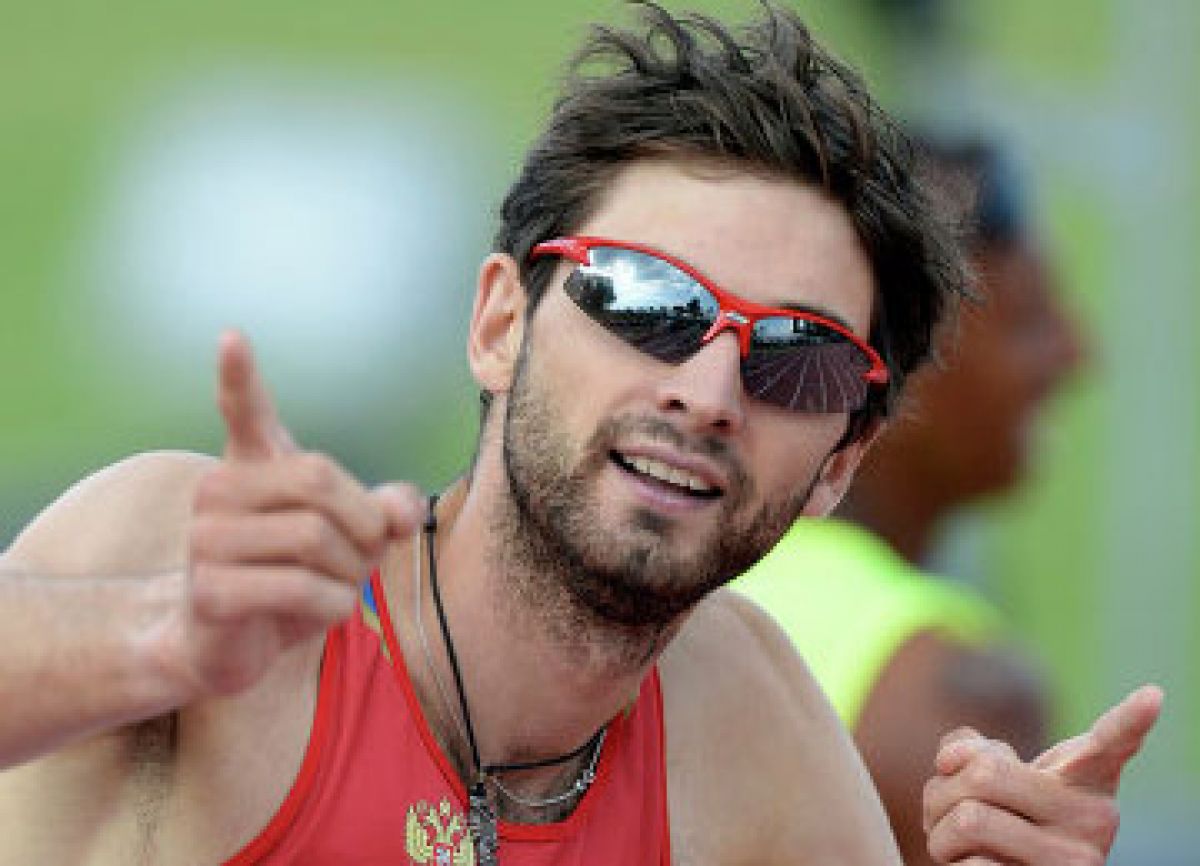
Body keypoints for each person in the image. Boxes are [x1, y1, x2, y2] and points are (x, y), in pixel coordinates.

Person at [0, 4, 1159, 865]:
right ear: (500, 324)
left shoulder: (752, 734)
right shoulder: (175, 551)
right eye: (648, 300)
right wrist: (155, 640)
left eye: (795, 354)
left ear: (838, 466)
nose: (709, 389)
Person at [735, 135, 1091, 865]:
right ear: (907, 362)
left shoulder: (674, 586)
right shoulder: (959, 705)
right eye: (1028, 320)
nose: (1074, 354)